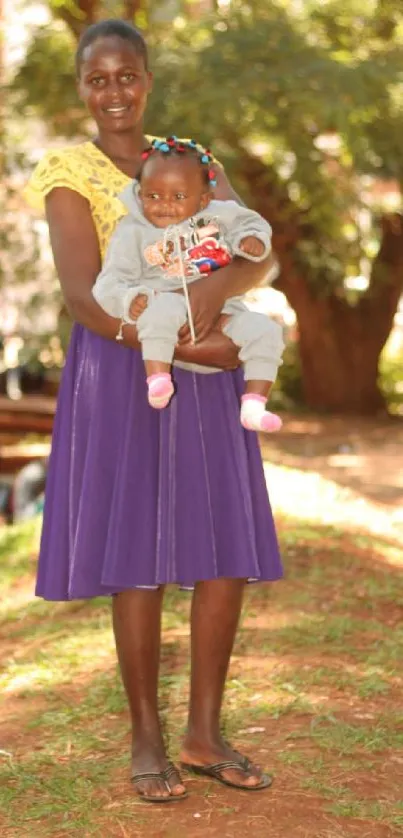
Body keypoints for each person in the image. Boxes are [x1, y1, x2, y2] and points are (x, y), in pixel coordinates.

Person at [24, 18, 283, 803]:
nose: (114, 92)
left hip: (203, 361)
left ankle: (204, 732)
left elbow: (256, 250)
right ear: (82, 86)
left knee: (222, 549)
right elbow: (81, 294)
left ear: (146, 79)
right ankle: (146, 737)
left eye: (126, 75)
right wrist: (190, 346)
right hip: (124, 363)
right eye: (98, 79)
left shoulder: (189, 159)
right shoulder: (66, 171)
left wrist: (206, 302)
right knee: (135, 550)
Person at [93, 136, 284, 432]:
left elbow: (253, 223)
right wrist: (132, 299)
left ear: (203, 199)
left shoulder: (219, 216)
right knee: (163, 308)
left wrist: (253, 241)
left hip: (223, 310)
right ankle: (158, 380)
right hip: (166, 308)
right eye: (152, 196)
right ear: (139, 193)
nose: (164, 205)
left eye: (178, 197)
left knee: (266, 331)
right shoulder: (132, 232)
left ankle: (254, 403)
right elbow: (109, 283)